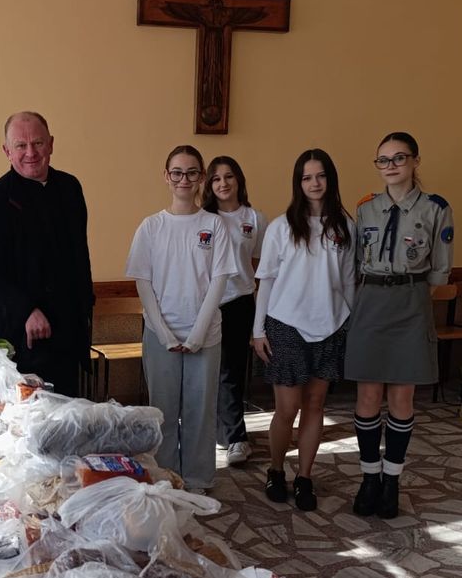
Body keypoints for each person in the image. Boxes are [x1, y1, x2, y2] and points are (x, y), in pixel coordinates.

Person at [344, 132, 453, 518]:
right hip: (371, 302)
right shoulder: (365, 208)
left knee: (401, 399)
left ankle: (392, 481)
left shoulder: (436, 208)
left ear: (415, 161)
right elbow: (355, 263)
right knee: (367, 397)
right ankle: (369, 477)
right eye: (383, 160)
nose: (390, 166)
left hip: (411, 301)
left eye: (399, 158)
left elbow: (439, 271)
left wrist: (411, 296)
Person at [126, 145, 234, 492]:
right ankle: (167, 476)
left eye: (191, 172)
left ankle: (199, 477)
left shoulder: (214, 225)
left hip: (205, 335)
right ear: (166, 176)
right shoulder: (151, 227)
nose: (183, 179)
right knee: (163, 411)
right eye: (177, 172)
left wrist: (198, 333)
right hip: (162, 335)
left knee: (200, 410)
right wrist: (164, 333)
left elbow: (219, 280)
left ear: (201, 177)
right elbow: (143, 283)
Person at [252, 149, 355, 511]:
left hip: (331, 326)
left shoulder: (345, 226)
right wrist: (258, 330)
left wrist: (351, 323)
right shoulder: (281, 227)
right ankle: (276, 469)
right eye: (307, 177)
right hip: (286, 326)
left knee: (315, 405)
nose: (314, 183)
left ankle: (305, 477)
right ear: (298, 183)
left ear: (330, 179)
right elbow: (266, 280)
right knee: (287, 408)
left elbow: (348, 282)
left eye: (320, 176)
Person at [0, 112, 94, 397]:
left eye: (37, 143)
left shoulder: (70, 189)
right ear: (7, 151)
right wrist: (26, 310)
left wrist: (85, 307)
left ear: (51, 144)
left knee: (70, 417)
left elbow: (79, 256)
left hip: (67, 335)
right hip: (20, 340)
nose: (31, 153)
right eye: (21, 146)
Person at [203, 156, 268, 466]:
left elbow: (256, 265)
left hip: (239, 302)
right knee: (206, 371)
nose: (223, 183)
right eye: (216, 178)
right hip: (207, 304)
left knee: (232, 371)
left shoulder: (254, 218)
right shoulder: (203, 218)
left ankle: (236, 438)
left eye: (229, 176)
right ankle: (216, 431)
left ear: (239, 179)